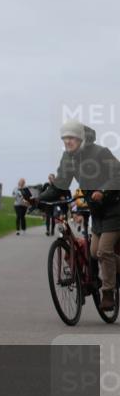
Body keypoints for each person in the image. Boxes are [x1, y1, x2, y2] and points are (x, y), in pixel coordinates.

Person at [38, 121, 120, 310]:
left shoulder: (101, 153)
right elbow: (60, 185)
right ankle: (111, 272)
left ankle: (108, 294)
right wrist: (38, 200)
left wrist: (103, 190)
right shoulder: (68, 158)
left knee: (104, 251)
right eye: (64, 138)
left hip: (115, 209)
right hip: (98, 212)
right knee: (94, 253)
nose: (68, 141)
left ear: (81, 138)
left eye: (71, 137)